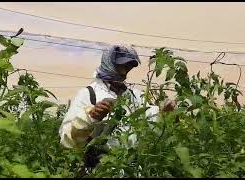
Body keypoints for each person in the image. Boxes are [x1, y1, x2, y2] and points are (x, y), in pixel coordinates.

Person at [59, 44, 175, 174]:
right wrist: (91, 116)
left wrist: (163, 113)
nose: (124, 72)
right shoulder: (89, 94)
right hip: (100, 170)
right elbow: (66, 139)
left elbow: (149, 127)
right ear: (109, 63)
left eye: (128, 68)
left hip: (130, 169)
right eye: (121, 66)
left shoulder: (134, 96)